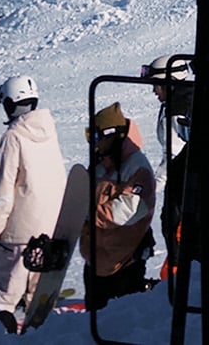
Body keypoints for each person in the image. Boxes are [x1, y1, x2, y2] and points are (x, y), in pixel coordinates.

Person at [0, 74, 67, 332]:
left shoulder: (13, 138)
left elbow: (3, 190)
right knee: (38, 296)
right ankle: (38, 337)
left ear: (10, 104)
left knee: (4, 296)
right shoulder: (48, 131)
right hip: (50, 229)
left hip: (19, 233)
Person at [81, 102, 156, 309]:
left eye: (95, 137)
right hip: (96, 263)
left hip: (124, 265)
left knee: (121, 325)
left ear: (112, 135)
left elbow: (127, 211)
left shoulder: (137, 168)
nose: (93, 144)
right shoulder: (99, 165)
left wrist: (88, 214)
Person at [142, 56, 193, 269]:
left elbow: (173, 156)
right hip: (187, 182)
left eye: (157, 85)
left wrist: (151, 188)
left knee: (176, 230)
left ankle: (182, 279)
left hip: (184, 185)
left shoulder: (178, 110)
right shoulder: (181, 102)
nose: (154, 91)